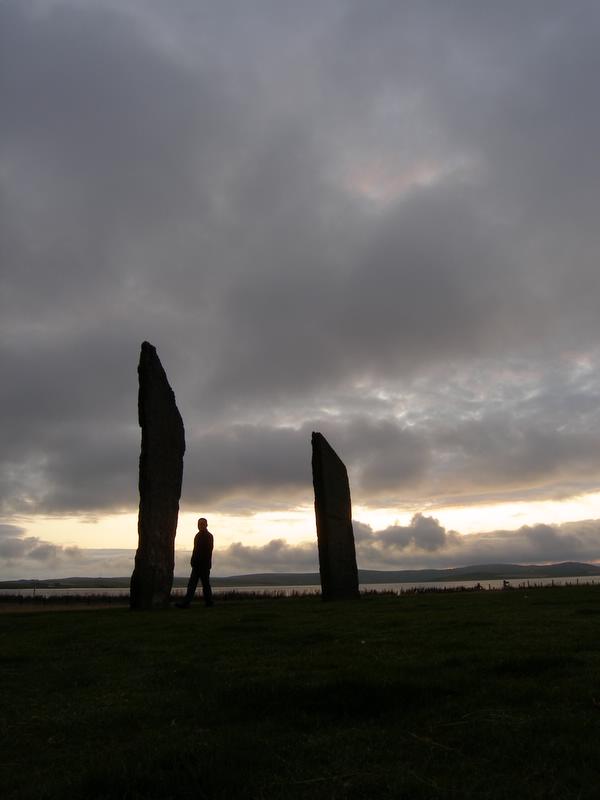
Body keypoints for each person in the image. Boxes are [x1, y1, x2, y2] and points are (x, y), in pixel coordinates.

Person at [176, 517, 214, 608]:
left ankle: (208, 602)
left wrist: (201, 562)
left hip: (203, 565)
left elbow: (208, 551)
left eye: (202, 524)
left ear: (206, 525)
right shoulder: (197, 535)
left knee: (205, 585)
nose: (200, 526)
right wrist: (193, 560)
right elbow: (195, 550)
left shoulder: (209, 536)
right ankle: (187, 603)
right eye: (199, 524)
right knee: (192, 585)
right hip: (197, 565)